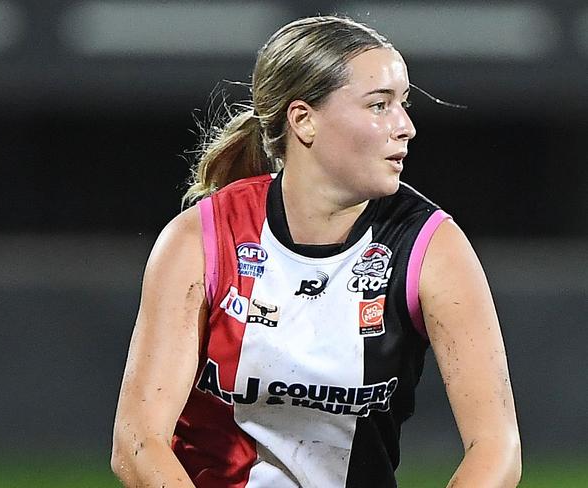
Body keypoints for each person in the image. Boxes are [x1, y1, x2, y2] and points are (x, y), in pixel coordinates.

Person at [111, 15, 521, 488]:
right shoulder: (201, 240)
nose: (405, 126)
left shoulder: (431, 247)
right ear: (304, 120)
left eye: (403, 104)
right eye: (379, 105)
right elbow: (138, 442)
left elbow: (496, 448)